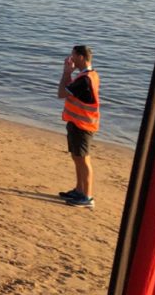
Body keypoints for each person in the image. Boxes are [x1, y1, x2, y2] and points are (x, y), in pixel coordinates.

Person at [57, 45, 99, 208]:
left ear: (81, 57)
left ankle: (87, 196)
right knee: (76, 157)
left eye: (73, 55)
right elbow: (68, 91)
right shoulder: (86, 75)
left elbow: (61, 93)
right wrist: (69, 74)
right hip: (77, 123)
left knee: (83, 159)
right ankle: (79, 189)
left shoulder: (85, 79)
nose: (71, 58)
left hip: (83, 125)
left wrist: (66, 73)